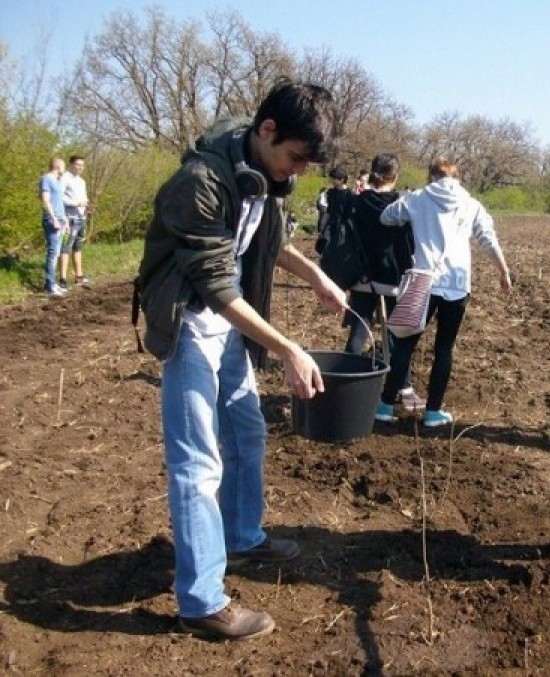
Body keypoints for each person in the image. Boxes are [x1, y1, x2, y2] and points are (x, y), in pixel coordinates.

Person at [135, 80, 346, 640]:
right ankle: (201, 601)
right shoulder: (199, 182)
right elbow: (216, 284)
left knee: (249, 432)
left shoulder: (264, 175)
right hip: (190, 321)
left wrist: (318, 277)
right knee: (197, 463)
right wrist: (287, 348)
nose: (296, 172)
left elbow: (269, 240)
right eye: (294, 158)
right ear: (267, 130)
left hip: (227, 326)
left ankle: (241, 536)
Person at [375, 158, 512, 427]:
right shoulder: (471, 204)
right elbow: (487, 237)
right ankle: (433, 411)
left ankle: (385, 405)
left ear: (431, 176)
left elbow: (386, 216)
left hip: (423, 280)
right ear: (456, 177)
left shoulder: (417, 198)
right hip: (457, 284)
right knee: (444, 348)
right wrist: (503, 270)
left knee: (404, 345)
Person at [343, 152, 425, 411]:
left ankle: (344, 383)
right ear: (395, 176)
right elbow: (409, 243)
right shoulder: (403, 204)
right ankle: (404, 387)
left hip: (362, 277)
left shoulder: (356, 203)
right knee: (399, 337)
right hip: (393, 278)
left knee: (359, 331)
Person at [59, 155, 93, 289]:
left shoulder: (82, 181)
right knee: (65, 247)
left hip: (81, 217)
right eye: (78, 165)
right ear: (71, 164)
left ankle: (79, 276)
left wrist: (87, 206)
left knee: (78, 247)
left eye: (82, 165)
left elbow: (84, 198)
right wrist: (76, 203)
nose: (81, 168)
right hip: (69, 218)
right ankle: (62, 279)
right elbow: (60, 198)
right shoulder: (65, 178)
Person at [39, 157, 68, 297]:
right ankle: (49, 286)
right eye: (63, 166)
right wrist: (53, 218)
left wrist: (64, 220)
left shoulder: (57, 182)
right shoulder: (46, 178)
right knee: (52, 253)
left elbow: (59, 202)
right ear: (57, 166)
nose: (65, 169)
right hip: (52, 220)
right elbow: (45, 200)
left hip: (61, 219)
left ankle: (52, 283)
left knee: (56, 253)